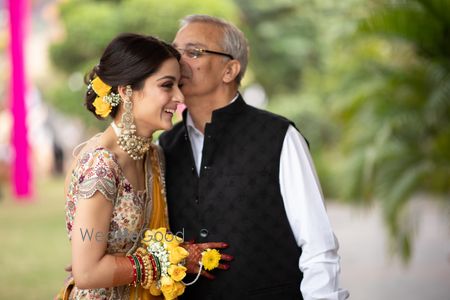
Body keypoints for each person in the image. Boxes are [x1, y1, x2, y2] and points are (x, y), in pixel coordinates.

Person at [159, 15, 350, 299]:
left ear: (230, 70)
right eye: (175, 52)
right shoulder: (166, 145)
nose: (178, 61)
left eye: (194, 52)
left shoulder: (279, 136)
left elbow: (317, 244)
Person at [58, 33, 230, 300]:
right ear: (127, 92)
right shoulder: (101, 167)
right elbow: (87, 273)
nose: (179, 96)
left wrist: (178, 251)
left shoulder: (154, 156)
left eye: (179, 85)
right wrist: (173, 259)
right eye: (166, 85)